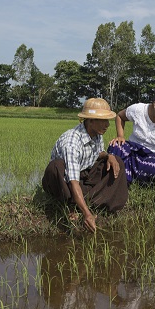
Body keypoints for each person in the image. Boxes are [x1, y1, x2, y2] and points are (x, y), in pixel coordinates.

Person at [42, 98, 128, 232]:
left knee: (117, 162)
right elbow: (73, 181)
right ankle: (71, 205)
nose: (107, 125)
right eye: (103, 121)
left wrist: (109, 156)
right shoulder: (71, 142)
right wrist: (87, 214)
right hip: (64, 182)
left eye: (107, 121)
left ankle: (90, 202)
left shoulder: (96, 134)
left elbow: (97, 154)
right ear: (90, 121)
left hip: (84, 175)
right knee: (56, 166)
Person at [108, 87, 155, 195]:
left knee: (154, 167)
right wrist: (120, 136)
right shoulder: (138, 110)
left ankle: (129, 177)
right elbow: (120, 116)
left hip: (154, 156)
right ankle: (121, 180)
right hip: (133, 149)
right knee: (115, 147)